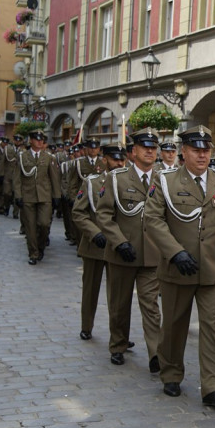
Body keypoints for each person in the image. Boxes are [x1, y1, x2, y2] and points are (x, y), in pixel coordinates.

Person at [144, 125, 215, 406]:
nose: (202, 155)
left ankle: (213, 386)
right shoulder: (164, 180)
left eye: (206, 150)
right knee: (175, 325)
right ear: (183, 152)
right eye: (196, 150)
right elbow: (152, 220)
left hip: (214, 268)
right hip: (178, 268)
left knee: (212, 328)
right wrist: (175, 253)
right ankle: (172, 374)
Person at [95, 130, 164, 370]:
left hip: (152, 255)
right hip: (122, 253)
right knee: (119, 304)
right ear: (133, 152)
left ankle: (156, 353)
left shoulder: (164, 178)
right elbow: (104, 214)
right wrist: (119, 241)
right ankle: (118, 344)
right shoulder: (117, 178)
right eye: (145, 147)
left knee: (151, 306)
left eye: (153, 148)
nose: (150, 152)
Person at [71, 144, 124, 346]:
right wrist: (94, 233)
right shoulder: (92, 182)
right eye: (114, 159)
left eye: (122, 159)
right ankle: (86, 326)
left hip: (117, 246)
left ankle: (118, 335)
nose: (119, 163)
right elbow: (78, 212)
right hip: (95, 246)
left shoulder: (128, 182)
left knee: (117, 295)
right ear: (105, 160)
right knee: (90, 290)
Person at [13, 129, 62, 265]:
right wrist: (18, 195)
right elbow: (17, 178)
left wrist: (56, 196)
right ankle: (33, 253)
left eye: (42, 140)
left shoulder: (49, 158)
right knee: (30, 226)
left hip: (44, 196)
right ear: (31, 141)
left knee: (44, 224)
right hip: (28, 196)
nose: (40, 142)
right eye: (37, 139)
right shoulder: (23, 157)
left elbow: (54, 178)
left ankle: (40, 247)